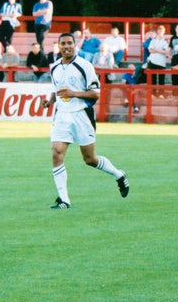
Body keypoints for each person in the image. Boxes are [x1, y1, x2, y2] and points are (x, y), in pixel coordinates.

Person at [40, 32, 129, 209]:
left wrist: (73, 93)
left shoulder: (84, 66)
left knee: (89, 159)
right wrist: (50, 100)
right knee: (56, 152)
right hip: (62, 115)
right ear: (59, 46)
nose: (66, 46)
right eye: (63, 44)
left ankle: (119, 175)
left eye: (69, 43)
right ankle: (64, 199)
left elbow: (95, 93)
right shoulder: (55, 67)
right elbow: (56, 89)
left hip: (81, 115)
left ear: (75, 45)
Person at [146, 24, 170, 92]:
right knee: (153, 78)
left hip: (161, 61)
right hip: (153, 60)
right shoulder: (154, 40)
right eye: (159, 30)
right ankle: (153, 92)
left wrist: (156, 50)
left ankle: (161, 92)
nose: (160, 32)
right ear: (157, 31)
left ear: (164, 31)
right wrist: (159, 50)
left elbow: (165, 51)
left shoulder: (165, 40)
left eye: (162, 30)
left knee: (161, 78)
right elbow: (150, 50)